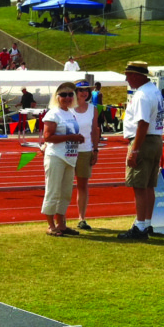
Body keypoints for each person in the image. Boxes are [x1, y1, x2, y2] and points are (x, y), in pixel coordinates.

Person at [119, 61, 163, 240]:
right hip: (155, 139)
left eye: (128, 75)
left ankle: (140, 226)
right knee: (149, 185)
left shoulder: (142, 95)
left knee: (139, 185)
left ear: (137, 75)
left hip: (144, 141)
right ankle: (147, 223)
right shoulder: (154, 91)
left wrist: (134, 150)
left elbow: (142, 123)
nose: (127, 78)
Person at [41, 82, 84, 236]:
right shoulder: (53, 114)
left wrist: (77, 139)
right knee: (53, 191)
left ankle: (62, 224)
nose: (67, 97)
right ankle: (50, 225)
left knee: (65, 193)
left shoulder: (71, 113)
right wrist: (72, 137)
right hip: (56, 157)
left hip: (70, 158)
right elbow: (47, 137)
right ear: (57, 97)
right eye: (63, 95)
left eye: (70, 94)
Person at [72, 81, 101, 230]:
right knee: (64, 186)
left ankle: (82, 218)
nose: (84, 93)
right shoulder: (68, 109)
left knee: (82, 186)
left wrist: (95, 150)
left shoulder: (92, 109)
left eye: (86, 90)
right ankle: (60, 218)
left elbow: (95, 130)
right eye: (81, 90)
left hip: (85, 151)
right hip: (68, 151)